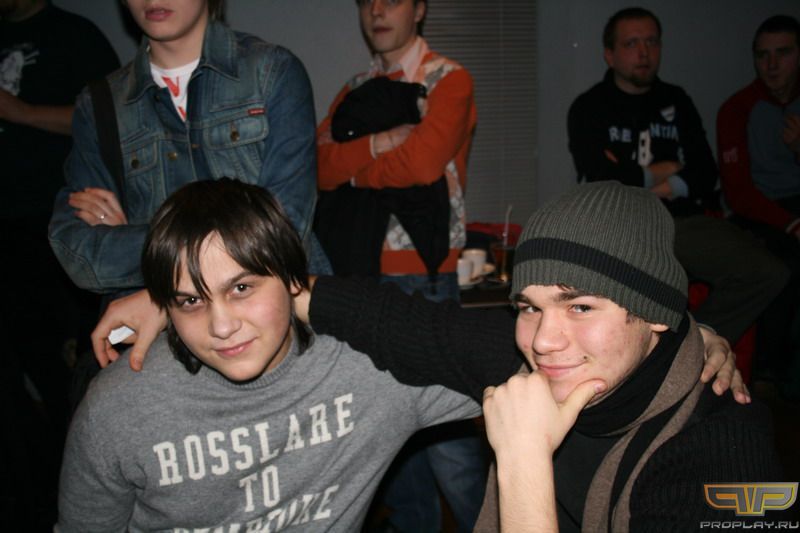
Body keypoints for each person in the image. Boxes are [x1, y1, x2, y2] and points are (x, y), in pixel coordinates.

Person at [92, 182, 757, 532]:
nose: (543, 340)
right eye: (528, 306)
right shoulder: (535, 360)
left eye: (580, 306)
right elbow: (396, 320)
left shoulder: (731, 453)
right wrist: (198, 294)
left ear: (656, 314)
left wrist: (524, 461)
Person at [57, 178, 481, 532]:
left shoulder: (368, 371)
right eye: (190, 301)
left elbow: (505, 355)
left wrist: (320, 296)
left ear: (296, 281)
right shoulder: (119, 407)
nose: (221, 326)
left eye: (241, 288)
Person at [316, 0, 480, 530]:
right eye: (368, 0)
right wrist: (381, 143)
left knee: (449, 444)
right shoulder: (354, 88)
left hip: (423, 274)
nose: (378, 10)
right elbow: (318, 167)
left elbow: (423, 163)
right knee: (389, 436)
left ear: (420, 8)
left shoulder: (449, 80)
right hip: (358, 273)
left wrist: (355, 170)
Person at [48, 0, 326, 300]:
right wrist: (234, 236)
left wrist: (143, 249)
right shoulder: (99, 106)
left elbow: (284, 230)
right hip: (158, 319)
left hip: (271, 310)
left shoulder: (271, 72)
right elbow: (81, 257)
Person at [567, 7, 788, 346]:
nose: (644, 52)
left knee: (769, 272)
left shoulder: (676, 99)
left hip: (681, 221)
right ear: (610, 55)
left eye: (652, 42)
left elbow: (705, 171)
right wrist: (666, 169)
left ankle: (687, 348)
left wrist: (645, 181)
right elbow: (603, 177)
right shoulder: (589, 107)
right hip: (622, 223)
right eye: (631, 44)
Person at [0, 0, 118, 525]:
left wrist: (21, 112)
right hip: (5, 234)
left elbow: (111, 120)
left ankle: (80, 501)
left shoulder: (74, 34)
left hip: (52, 234)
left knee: (68, 373)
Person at [717, 15, 800, 397]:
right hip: (761, 213)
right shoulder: (738, 108)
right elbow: (739, 192)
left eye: (783, 53)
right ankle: (768, 373)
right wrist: (790, 224)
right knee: (780, 266)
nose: (772, 64)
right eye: (763, 55)